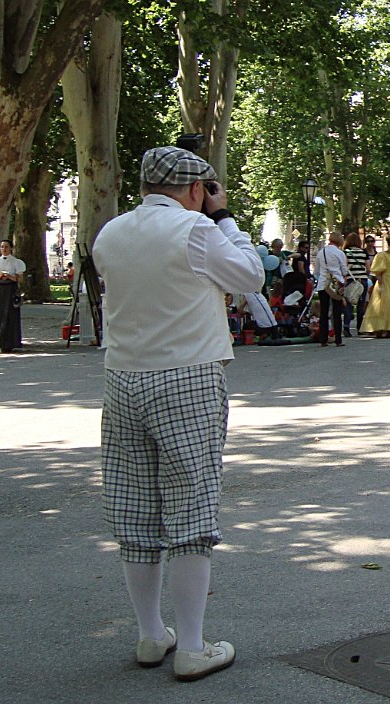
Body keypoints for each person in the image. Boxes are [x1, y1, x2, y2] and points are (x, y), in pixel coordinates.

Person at [92, 145, 263, 682]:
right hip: (187, 373)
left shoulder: (110, 233)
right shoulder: (197, 229)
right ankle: (192, 644)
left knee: (134, 504)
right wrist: (224, 215)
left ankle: (150, 633)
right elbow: (250, 276)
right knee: (191, 502)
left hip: (123, 375)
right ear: (196, 189)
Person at [0, 239, 26, 352]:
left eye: (6, 247)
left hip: (11, 289)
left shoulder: (17, 262)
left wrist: (9, 276)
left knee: (10, 315)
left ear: (11, 248)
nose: (4, 249)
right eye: (2, 247)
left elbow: (20, 279)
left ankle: (10, 342)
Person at [314, 231, 349, 347]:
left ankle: (323, 339)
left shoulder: (321, 252)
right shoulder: (340, 253)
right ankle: (338, 339)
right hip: (336, 284)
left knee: (324, 312)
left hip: (323, 284)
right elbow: (344, 270)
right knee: (337, 312)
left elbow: (316, 271)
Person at [342, 232, 368, 335]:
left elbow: (344, 267)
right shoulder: (364, 252)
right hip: (362, 281)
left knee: (348, 304)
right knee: (361, 305)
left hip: (350, 281)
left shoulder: (345, 252)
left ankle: (346, 327)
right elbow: (368, 268)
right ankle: (360, 328)